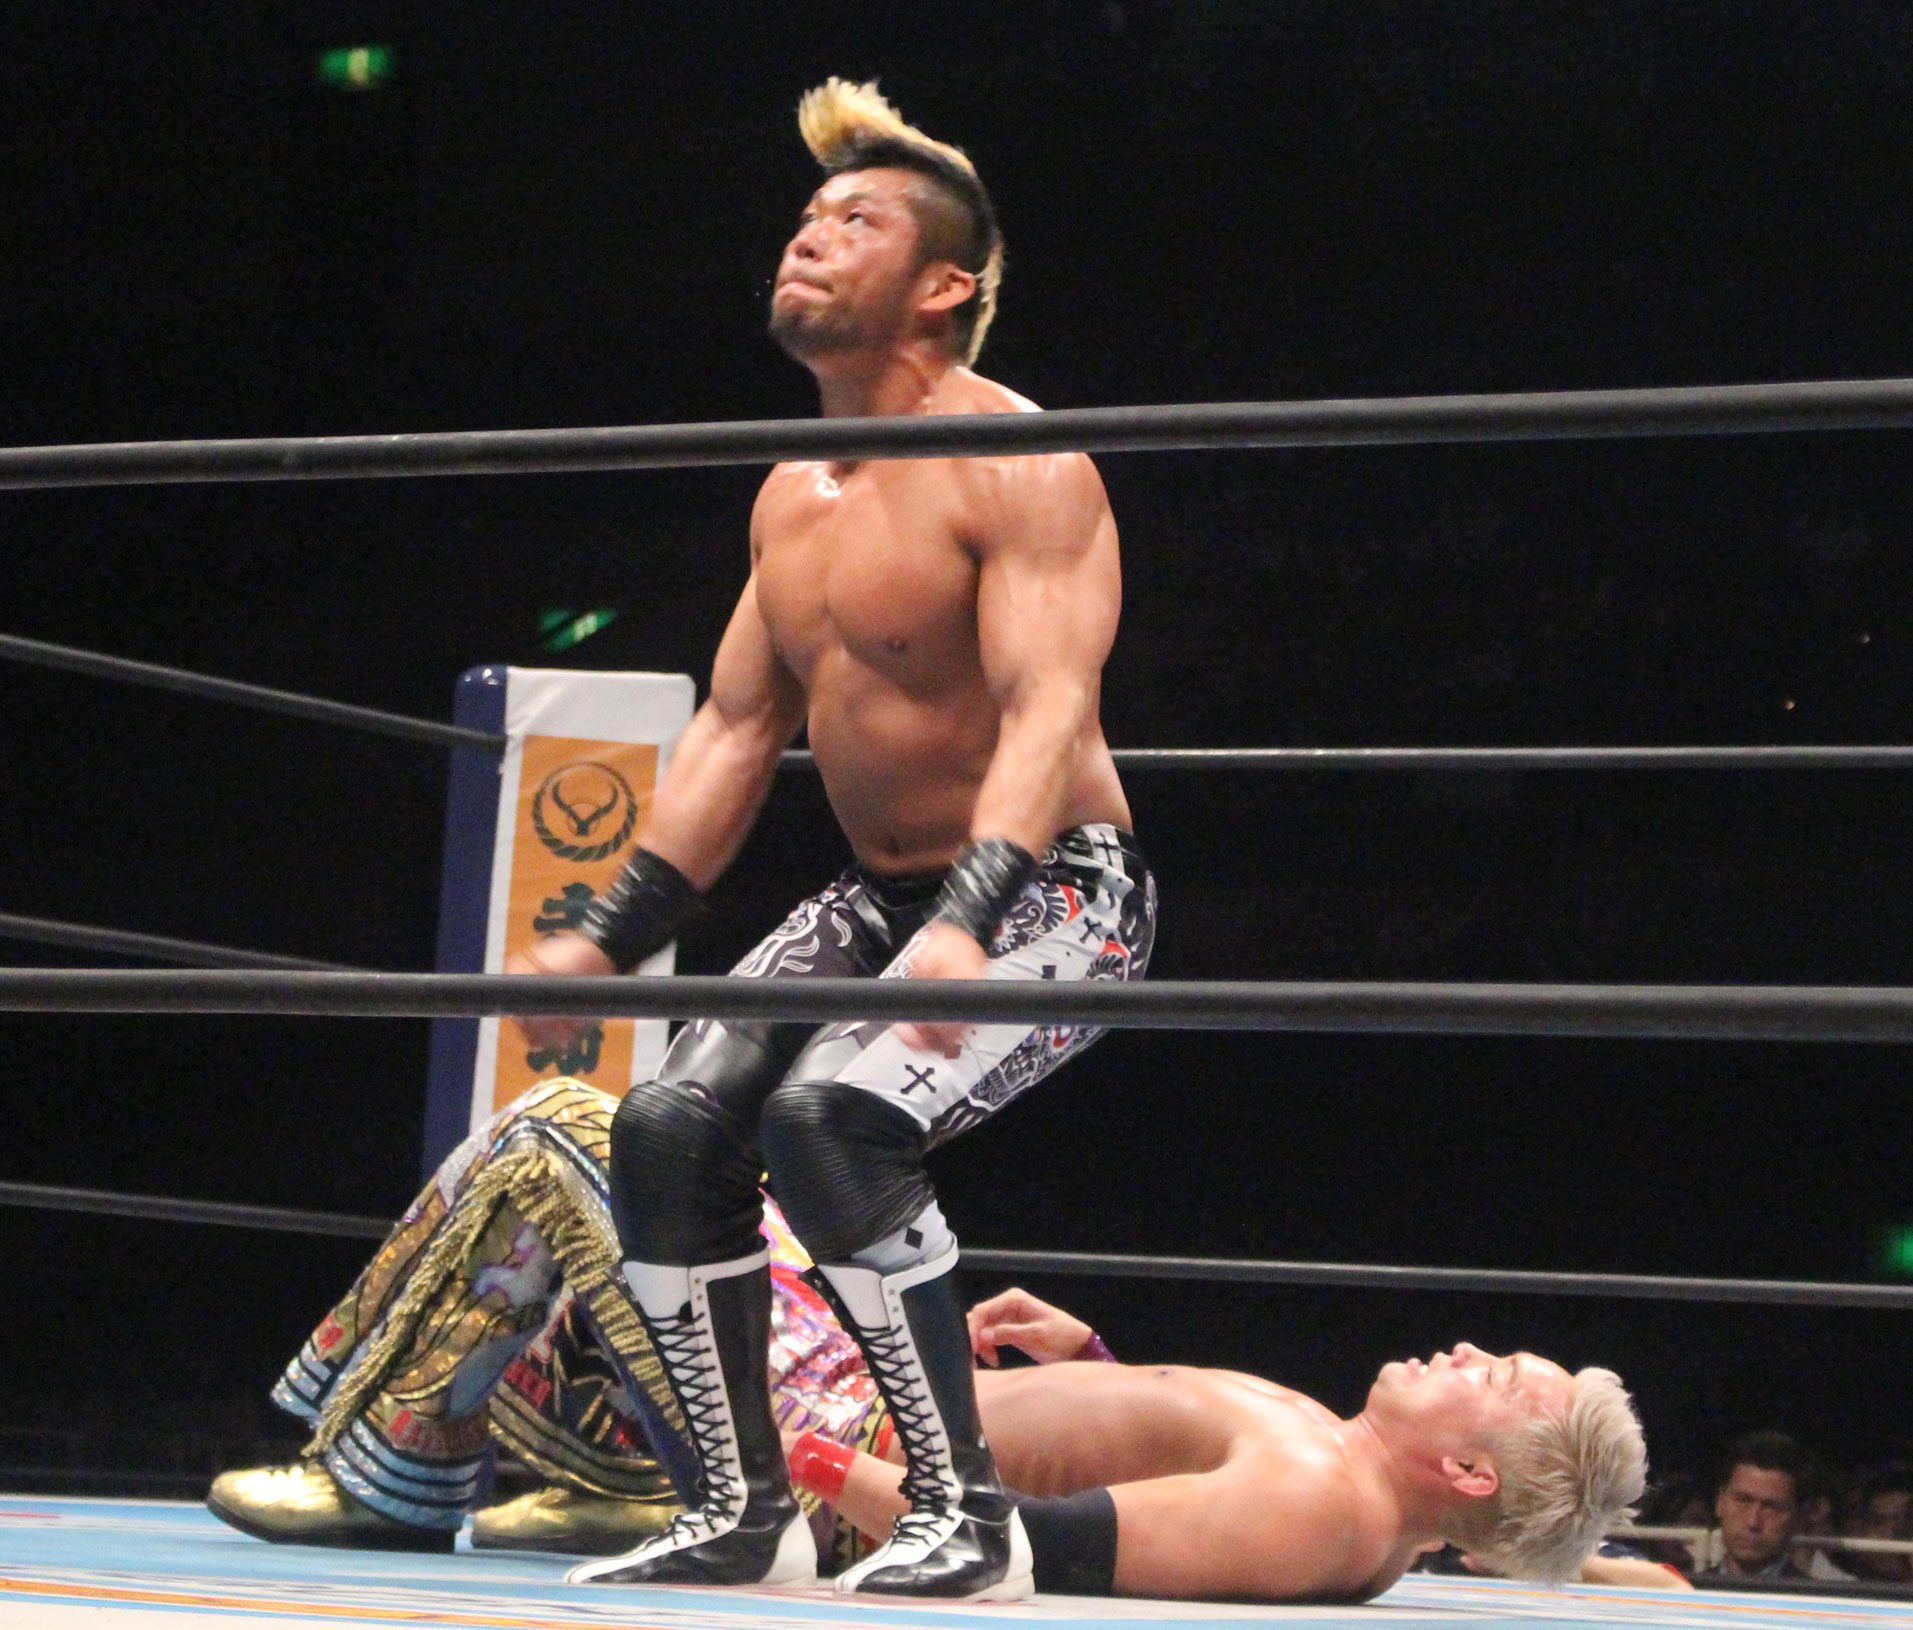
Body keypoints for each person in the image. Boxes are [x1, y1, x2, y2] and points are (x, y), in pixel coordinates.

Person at [504, 77, 1152, 1600]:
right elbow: (735, 730)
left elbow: (1048, 703)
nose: (806, 239)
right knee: (665, 1127)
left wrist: (971, 915)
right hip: (882, 890)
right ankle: (739, 1510)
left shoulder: (1019, 458)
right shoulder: (789, 498)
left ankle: (968, 1519)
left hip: (1057, 888)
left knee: (832, 1119)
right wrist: (607, 931)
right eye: (805, 217)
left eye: (853, 221)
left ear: (943, 287)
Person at [205, 1085, 1646, 1600]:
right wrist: (1103, 1368)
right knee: (608, 1235)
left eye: (1495, 1378)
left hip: (843, 1436)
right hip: (862, 1412)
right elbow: (1146, 1503)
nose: (1466, 1346)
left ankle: (401, 1475)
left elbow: (1032, 1545)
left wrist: (801, 1469)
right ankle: (572, 1479)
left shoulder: (1318, 1501)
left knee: (583, 1134)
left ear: (1469, 1471)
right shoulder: (1338, 1496)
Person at [1697, 1431, 1817, 1582]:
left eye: (1771, 1507)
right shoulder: (1686, 1593)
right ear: (1720, 1502)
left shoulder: (1818, 1597)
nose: (1752, 1522)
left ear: (1799, 1516)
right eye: (1742, 1501)